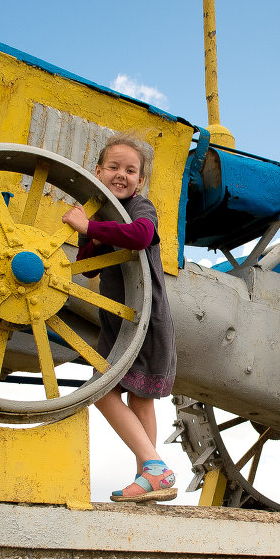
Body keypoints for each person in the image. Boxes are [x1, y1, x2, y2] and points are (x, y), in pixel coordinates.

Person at [63, 132, 178, 502]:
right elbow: (87, 269)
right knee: (139, 400)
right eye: (113, 167)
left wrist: (89, 228)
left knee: (102, 392)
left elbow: (141, 236)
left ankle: (154, 467)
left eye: (131, 170)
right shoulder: (104, 216)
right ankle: (148, 476)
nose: (122, 175)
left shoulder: (141, 209)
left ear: (140, 181)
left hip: (144, 319)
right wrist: (90, 237)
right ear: (98, 171)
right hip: (120, 319)